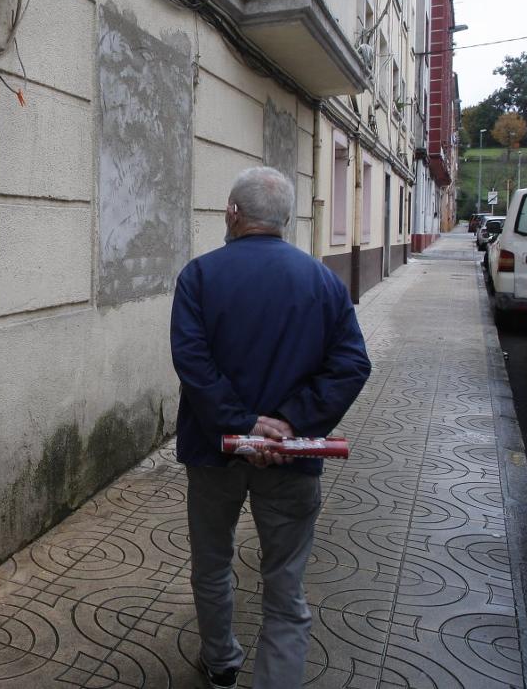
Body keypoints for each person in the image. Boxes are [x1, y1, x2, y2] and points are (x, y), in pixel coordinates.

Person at [170, 166, 371, 689]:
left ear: (233, 214)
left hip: (215, 453)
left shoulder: (199, 276)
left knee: (212, 566)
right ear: (285, 220)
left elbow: (193, 363)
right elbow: (351, 365)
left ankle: (221, 665)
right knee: (286, 584)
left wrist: (243, 425)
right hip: (292, 458)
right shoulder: (323, 281)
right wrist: (290, 423)